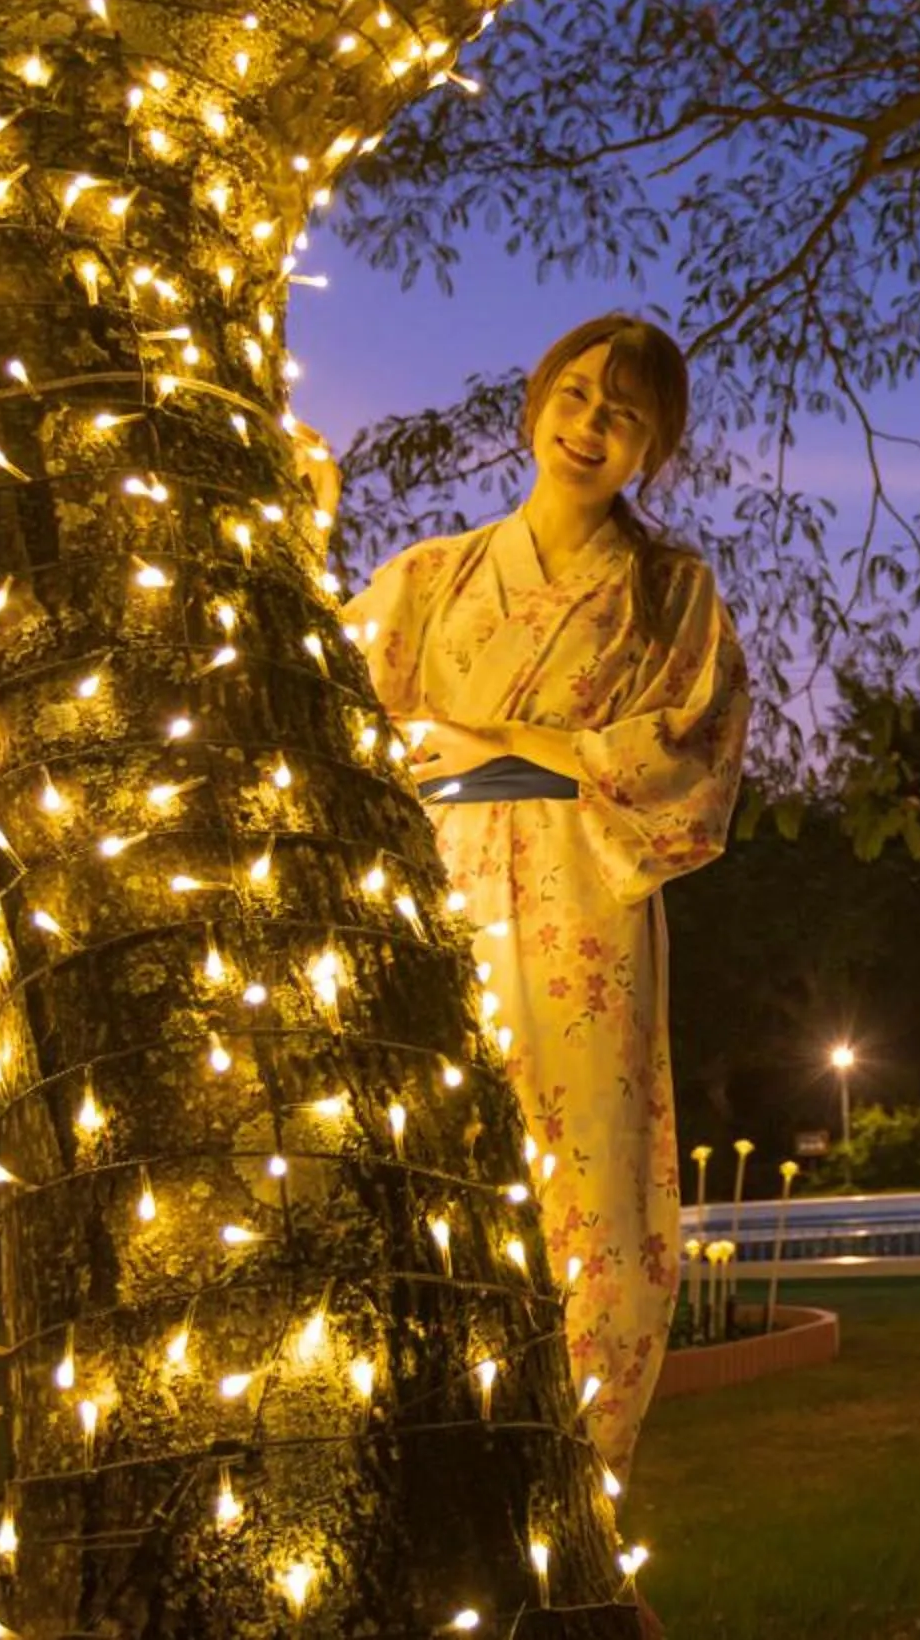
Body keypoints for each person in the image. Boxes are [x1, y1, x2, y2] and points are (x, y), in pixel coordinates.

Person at [315, 314, 749, 1479]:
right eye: (576, 395)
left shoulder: (668, 594)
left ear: (653, 449)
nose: (591, 426)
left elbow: (687, 756)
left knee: (587, 1168)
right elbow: (328, 711)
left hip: (579, 903)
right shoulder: (430, 577)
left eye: (625, 415)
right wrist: (305, 529)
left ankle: (570, 1463)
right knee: (427, 1157)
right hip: (432, 896)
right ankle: (424, 1446)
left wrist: (500, 744)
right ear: (536, 403)